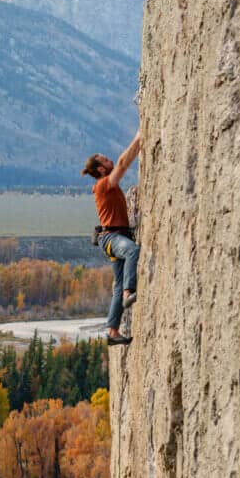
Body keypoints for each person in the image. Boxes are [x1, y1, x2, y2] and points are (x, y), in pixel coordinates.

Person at [82, 131, 141, 345]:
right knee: (133, 250)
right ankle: (129, 293)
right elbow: (124, 164)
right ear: (101, 168)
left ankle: (112, 330)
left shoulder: (104, 184)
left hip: (113, 237)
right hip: (112, 238)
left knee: (116, 285)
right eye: (105, 160)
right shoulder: (103, 184)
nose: (110, 160)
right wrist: (138, 138)